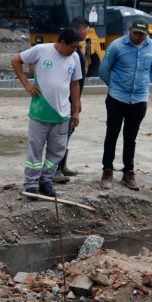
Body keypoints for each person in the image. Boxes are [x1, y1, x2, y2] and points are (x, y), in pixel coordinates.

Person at [11, 29, 82, 198]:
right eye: (73, 46)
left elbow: (75, 84)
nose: (75, 50)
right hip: (40, 113)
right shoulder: (41, 50)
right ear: (63, 42)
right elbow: (16, 61)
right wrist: (26, 84)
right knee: (35, 151)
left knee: (57, 151)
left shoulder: (75, 57)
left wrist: (76, 110)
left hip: (62, 114)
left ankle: (45, 182)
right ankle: (30, 185)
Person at [98, 18, 152, 190]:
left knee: (131, 136)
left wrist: (142, 86)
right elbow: (103, 70)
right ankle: (107, 170)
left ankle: (128, 172)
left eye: (142, 34)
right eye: (135, 33)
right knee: (112, 134)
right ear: (129, 30)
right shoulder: (117, 46)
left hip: (139, 100)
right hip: (117, 98)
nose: (138, 37)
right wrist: (116, 87)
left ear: (146, 34)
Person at [54, 16, 91, 183]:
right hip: (64, 101)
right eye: (88, 31)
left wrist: (78, 101)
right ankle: (54, 170)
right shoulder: (70, 51)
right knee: (61, 134)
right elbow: (70, 81)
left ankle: (62, 166)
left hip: (72, 99)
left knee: (68, 133)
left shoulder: (76, 50)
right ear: (82, 30)